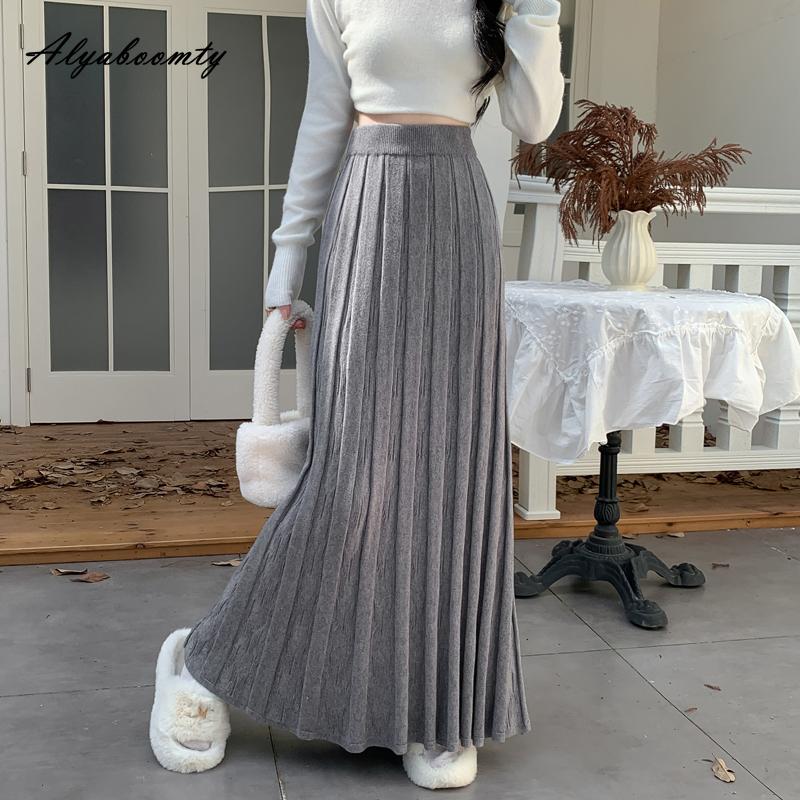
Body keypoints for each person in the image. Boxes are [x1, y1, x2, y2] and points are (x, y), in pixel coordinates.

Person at [149, 0, 564, 789]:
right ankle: (201, 659)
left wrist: (538, 9)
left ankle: (437, 706)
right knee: (352, 474)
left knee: (446, 475)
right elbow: (323, 117)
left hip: (459, 223)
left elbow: (534, 119)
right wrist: (287, 257)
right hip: (369, 211)